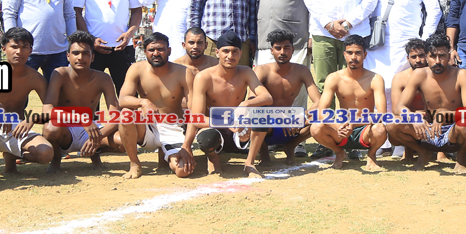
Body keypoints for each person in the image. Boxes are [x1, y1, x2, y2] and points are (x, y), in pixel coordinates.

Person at [42, 30, 143, 178]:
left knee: (122, 142)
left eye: (85, 53)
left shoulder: (103, 78)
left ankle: (95, 155)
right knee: (50, 128)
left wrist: (98, 136)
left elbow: (116, 116)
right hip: (66, 129)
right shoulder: (60, 74)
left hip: (92, 129)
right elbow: (47, 110)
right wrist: (82, 119)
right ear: (68, 56)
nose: (80, 57)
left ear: (93, 57)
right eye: (75, 53)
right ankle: (56, 158)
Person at [181, 29, 273, 178]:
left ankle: (249, 164)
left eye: (235, 52)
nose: (230, 56)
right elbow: (197, 118)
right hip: (215, 128)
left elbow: (267, 97)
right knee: (206, 138)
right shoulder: (204, 77)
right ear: (217, 53)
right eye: (226, 51)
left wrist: (245, 104)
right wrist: (227, 122)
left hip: (238, 128)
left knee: (262, 113)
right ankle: (213, 158)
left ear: (240, 54)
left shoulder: (246, 72)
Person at [366, 0, 441, 109]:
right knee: (377, 90)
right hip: (377, 46)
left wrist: (423, 41)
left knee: (402, 92)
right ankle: (380, 126)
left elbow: (434, 10)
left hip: (405, 47)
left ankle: (400, 125)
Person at [388, 32, 466, 171]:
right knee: (392, 124)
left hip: (453, 130)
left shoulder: (461, 75)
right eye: (433, 56)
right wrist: (414, 117)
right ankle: (423, 152)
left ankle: (461, 157)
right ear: (427, 57)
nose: (437, 61)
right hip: (428, 130)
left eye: (442, 56)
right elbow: (399, 107)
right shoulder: (419, 74)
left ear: (449, 55)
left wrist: (446, 115)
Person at [0, 26, 56, 173]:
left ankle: (11, 157)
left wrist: (33, 118)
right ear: (4, 49)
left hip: (15, 130)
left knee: (45, 153)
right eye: (14, 47)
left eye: (24, 47)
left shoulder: (35, 78)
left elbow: (51, 109)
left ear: (31, 50)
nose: (19, 52)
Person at [118, 32, 198, 176]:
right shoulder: (136, 69)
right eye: (151, 50)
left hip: (173, 127)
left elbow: (194, 111)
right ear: (145, 52)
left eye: (160, 49)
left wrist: (186, 145)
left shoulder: (184, 72)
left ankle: (167, 154)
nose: (156, 53)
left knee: (183, 171)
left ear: (169, 51)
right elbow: (122, 99)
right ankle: (134, 163)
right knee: (126, 114)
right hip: (147, 127)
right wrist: (143, 101)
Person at [310, 35, 390, 170]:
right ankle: (339, 153)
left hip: (365, 130)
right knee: (316, 128)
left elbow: (381, 114)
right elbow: (322, 111)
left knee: (380, 128)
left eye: (358, 53)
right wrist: (336, 126)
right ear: (344, 55)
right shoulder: (334, 78)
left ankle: (371, 155)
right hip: (341, 130)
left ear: (365, 55)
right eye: (350, 53)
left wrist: (353, 124)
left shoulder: (375, 79)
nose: (354, 57)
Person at [254, 29, 322, 165]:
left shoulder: (302, 71)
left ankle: (290, 147)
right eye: (278, 48)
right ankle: (263, 152)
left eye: (286, 48)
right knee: (255, 115)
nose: (282, 52)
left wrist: (301, 117)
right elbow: (252, 101)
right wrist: (278, 116)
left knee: (321, 116)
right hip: (268, 125)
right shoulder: (262, 70)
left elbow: (319, 102)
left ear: (293, 50)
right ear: (271, 50)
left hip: (291, 125)